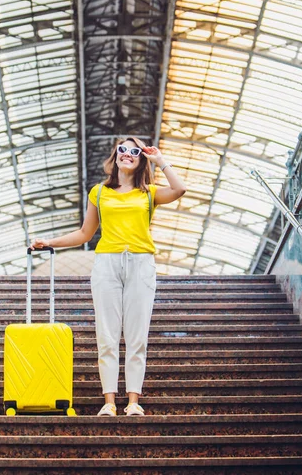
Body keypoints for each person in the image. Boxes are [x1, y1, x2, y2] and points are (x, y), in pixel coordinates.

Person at [30, 137, 186, 417]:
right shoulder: (99, 192)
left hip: (141, 264)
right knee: (107, 335)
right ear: (115, 156)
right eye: (122, 150)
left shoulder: (149, 193)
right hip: (107, 264)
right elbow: (84, 234)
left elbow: (180, 188)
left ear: (141, 159)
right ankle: (109, 402)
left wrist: (161, 161)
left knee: (137, 336)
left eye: (134, 151)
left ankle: (134, 401)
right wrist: (49, 242)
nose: (127, 154)